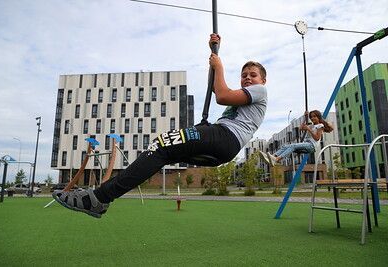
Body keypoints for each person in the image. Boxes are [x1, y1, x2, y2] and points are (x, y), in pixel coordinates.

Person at [52, 33, 268, 218]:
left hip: (225, 137)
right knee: (161, 150)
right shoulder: (249, 95)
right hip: (223, 144)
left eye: (253, 75)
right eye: (244, 75)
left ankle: (99, 198)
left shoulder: (261, 91)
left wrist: (219, 65)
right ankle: (102, 196)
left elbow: (221, 95)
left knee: (162, 143)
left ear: (263, 80)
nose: (247, 78)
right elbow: (216, 87)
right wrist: (214, 53)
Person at [260, 110, 333, 166]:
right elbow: (301, 128)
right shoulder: (311, 126)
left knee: (293, 145)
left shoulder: (320, 126)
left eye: (314, 116)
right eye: (311, 117)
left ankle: (277, 159)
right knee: (286, 146)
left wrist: (308, 129)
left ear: (319, 117)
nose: (312, 118)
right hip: (307, 144)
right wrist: (305, 118)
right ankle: (273, 156)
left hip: (312, 146)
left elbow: (317, 138)